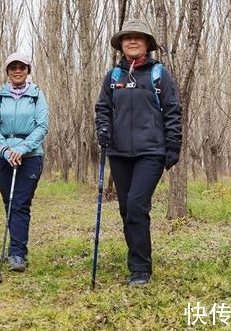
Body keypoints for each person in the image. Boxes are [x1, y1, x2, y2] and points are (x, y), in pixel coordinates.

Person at [94, 19, 183, 286]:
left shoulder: (159, 74)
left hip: (151, 152)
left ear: (147, 44)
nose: (133, 41)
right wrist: (104, 130)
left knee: (136, 206)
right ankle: (136, 257)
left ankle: (140, 269)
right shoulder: (113, 77)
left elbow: (173, 110)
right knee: (126, 209)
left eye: (139, 37)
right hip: (119, 153)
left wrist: (173, 146)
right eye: (127, 37)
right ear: (121, 44)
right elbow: (102, 108)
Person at [0, 52, 49, 272]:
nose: (17, 71)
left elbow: (42, 126)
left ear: (28, 70)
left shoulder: (37, 95)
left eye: (22, 67)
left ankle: (17, 253)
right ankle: (16, 247)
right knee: (9, 202)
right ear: (8, 71)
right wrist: (5, 149)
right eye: (13, 67)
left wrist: (21, 149)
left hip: (30, 156)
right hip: (1, 156)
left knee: (20, 203)